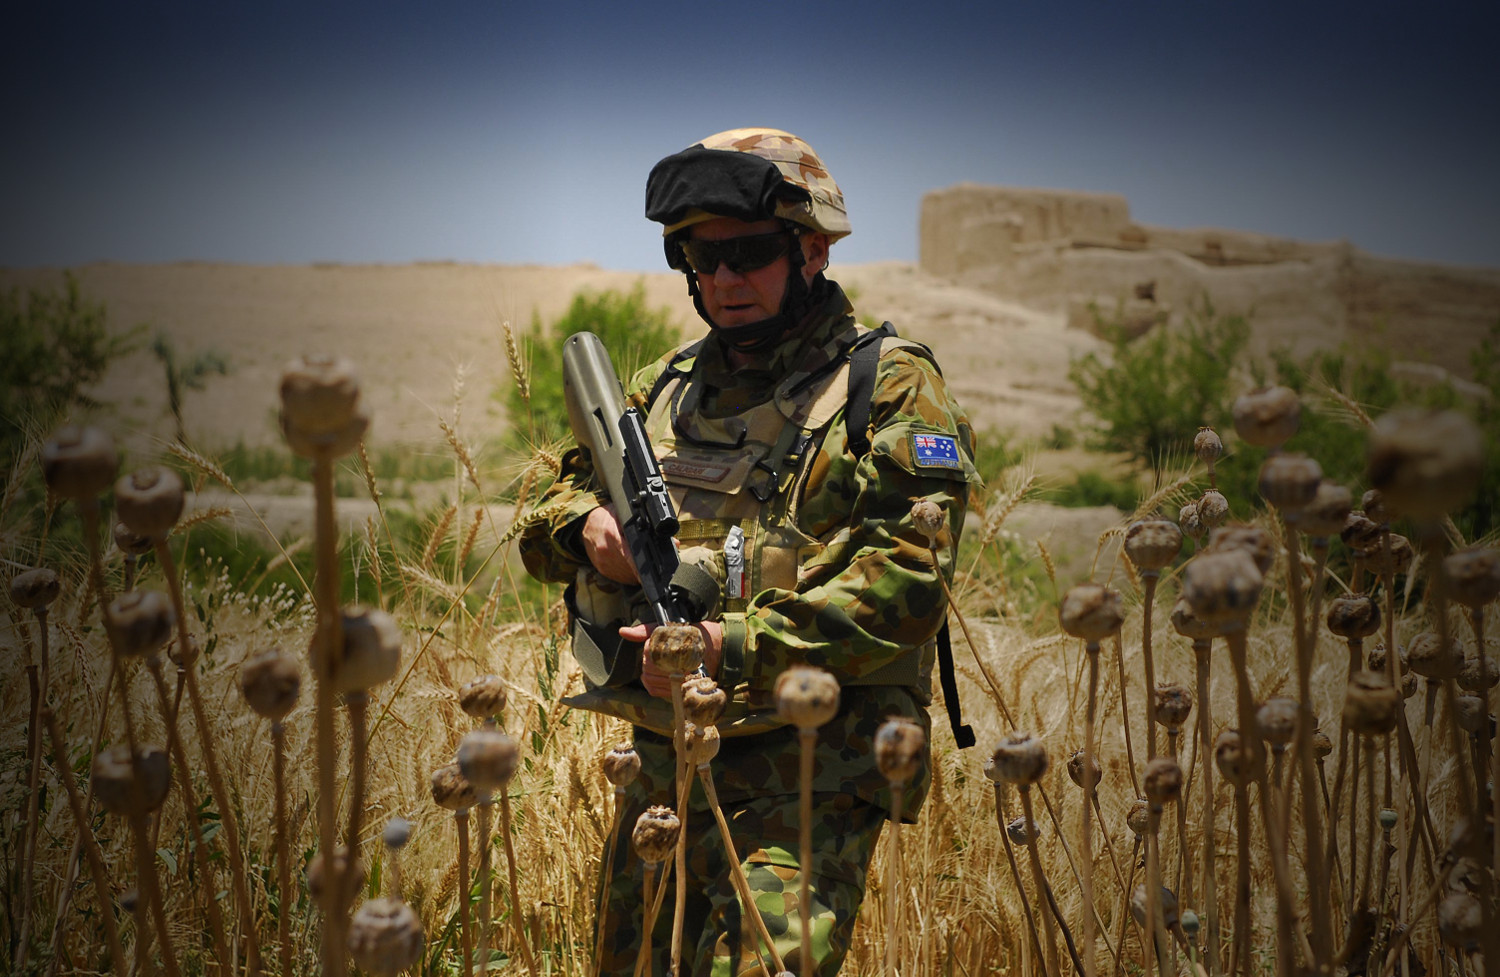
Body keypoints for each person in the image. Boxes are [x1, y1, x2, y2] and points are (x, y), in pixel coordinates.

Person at [519, 127, 979, 976]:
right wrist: (585, 528)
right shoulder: (661, 388)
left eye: (748, 254)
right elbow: (539, 507)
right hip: (668, 771)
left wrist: (726, 647)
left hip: (806, 776)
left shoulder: (886, 384)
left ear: (812, 248)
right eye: (699, 257)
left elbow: (908, 586)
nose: (722, 279)